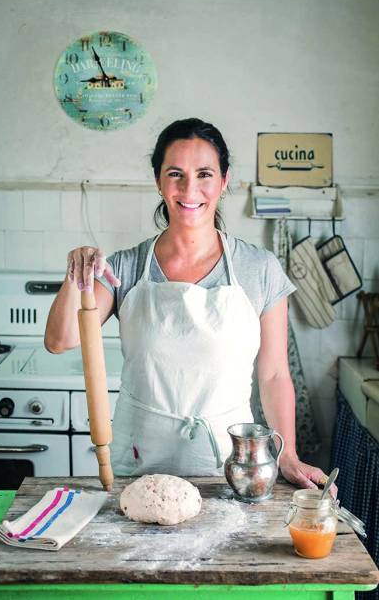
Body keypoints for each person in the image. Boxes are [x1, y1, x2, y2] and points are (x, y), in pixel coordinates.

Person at [45, 118, 334, 492]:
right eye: (175, 174)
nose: (190, 188)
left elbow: (275, 374)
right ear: (158, 181)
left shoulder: (259, 268)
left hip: (228, 469)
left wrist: (287, 454)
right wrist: (76, 273)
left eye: (204, 174)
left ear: (224, 180)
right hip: (138, 464)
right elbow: (60, 339)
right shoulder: (125, 268)